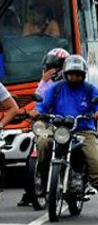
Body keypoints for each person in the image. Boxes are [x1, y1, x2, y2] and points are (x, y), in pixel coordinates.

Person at [30, 55, 98, 219]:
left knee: (94, 161)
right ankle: (42, 174)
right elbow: (43, 104)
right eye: (71, 74)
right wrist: (37, 111)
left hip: (83, 130)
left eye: (77, 74)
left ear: (83, 75)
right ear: (65, 74)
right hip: (57, 128)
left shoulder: (89, 89)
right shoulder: (56, 88)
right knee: (42, 141)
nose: (74, 77)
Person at [18, 47, 70, 207]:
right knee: (40, 144)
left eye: (54, 67)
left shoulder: (72, 82)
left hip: (65, 125)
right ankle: (32, 189)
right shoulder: (46, 83)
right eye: (49, 66)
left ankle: (75, 184)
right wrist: (45, 81)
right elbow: (39, 101)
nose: (50, 70)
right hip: (48, 123)